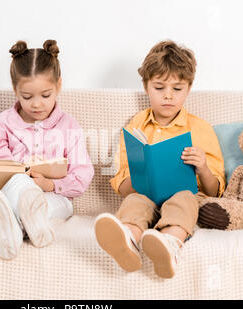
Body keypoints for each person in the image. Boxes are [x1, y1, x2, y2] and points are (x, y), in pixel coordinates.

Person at [94, 40, 225, 278]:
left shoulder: (200, 128)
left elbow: (215, 190)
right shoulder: (137, 125)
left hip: (183, 199)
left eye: (177, 89)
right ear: (146, 87)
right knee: (135, 200)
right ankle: (129, 241)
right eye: (159, 88)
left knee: (185, 198)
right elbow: (121, 182)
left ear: (189, 87)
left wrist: (203, 167)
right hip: (146, 196)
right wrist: (140, 176)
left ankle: (169, 244)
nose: (168, 97)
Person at [0, 40, 94, 260]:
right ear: (15, 90)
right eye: (27, 97)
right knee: (21, 185)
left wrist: (50, 184)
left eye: (46, 95)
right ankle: (27, 226)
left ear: (58, 86)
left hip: (54, 197)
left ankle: (14, 230)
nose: (37, 104)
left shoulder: (69, 126)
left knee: (56, 206)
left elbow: (82, 174)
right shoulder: (0, 125)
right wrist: (27, 180)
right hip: (10, 194)